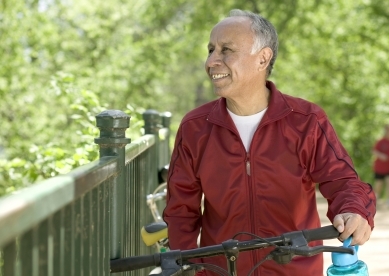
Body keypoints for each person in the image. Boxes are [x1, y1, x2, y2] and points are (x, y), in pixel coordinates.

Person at [163, 9, 376, 276]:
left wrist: (355, 211)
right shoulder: (195, 127)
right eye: (211, 50)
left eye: (226, 50)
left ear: (263, 58)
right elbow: (180, 210)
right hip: (220, 271)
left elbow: (344, 182)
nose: (211, 61)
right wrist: (186, 268)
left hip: (295, 270)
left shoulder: (306, 121)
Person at [372, 124, 389, 203]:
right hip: (380, 167)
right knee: (379, 184)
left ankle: (388, 201)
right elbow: (374, 151)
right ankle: (374, 199)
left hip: (388, 167)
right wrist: (381, 156)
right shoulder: (380, 141)